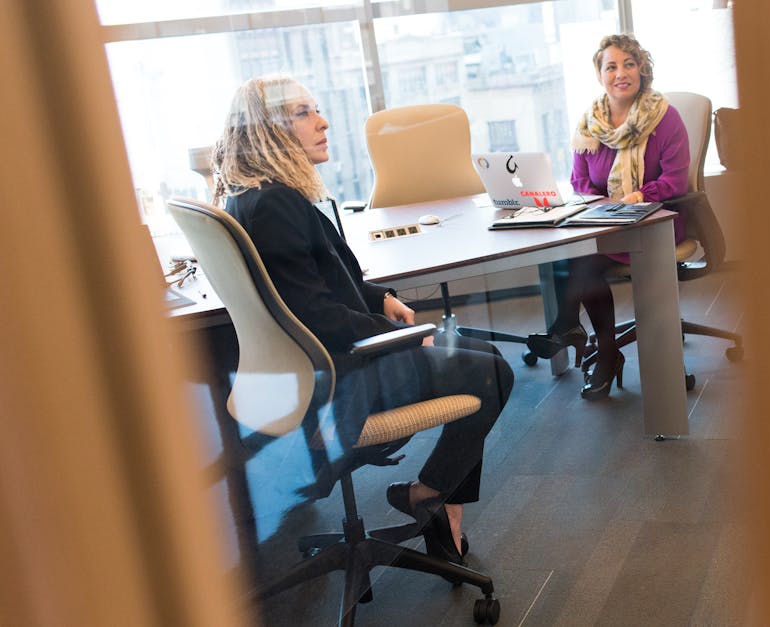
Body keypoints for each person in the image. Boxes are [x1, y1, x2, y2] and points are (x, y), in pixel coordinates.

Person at [211, 74, 512, 565]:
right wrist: (403, 337)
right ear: (269, 128)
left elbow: (306, 287)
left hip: (322, 365)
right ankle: (429, 498)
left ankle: (439, 505)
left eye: (316, 110)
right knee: (491, 371)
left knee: (485, 358)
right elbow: (316, 316)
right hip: (347, 375)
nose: (323, 122)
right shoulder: (276, 206)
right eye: (304, 113)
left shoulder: (252, 197)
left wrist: (379, 297)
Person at [526, 34, 690, 400]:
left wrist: (636, 197)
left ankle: (582, 338)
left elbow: (675, 180)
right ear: (600, 75)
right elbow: (579, 180)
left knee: (582, 260)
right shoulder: (591, 122)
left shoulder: (664, 117)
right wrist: (601, 205)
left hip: (655, 221)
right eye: (611, 66)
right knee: (568, 252)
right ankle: (601, 347)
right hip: (605, 219)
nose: (621, 73)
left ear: (642, 70)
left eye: (628, 64)